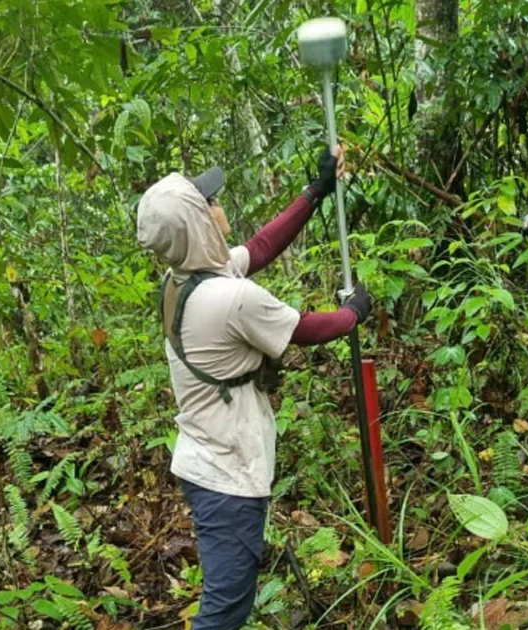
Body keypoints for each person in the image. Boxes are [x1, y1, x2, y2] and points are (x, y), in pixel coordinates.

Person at [136, 146, 371, 630]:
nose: (219, 206)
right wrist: (353, 314)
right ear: (199, 225)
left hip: (208, 459)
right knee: (224, 613)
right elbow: (304, 329)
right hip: (226, 478)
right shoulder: (229, 300)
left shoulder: (184, 278)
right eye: (210, 202)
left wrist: (315, 192)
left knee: (231, 604)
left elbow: (261, 247)